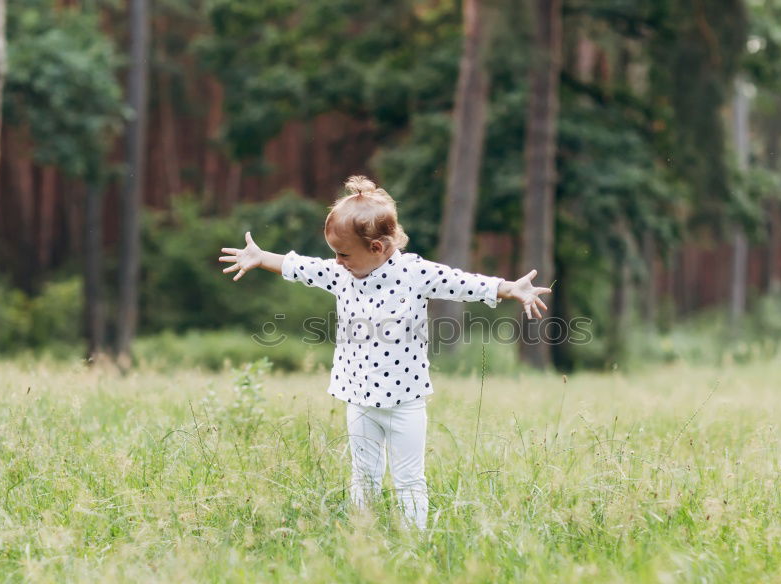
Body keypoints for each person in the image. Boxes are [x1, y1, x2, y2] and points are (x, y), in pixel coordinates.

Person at [219, 176, 551, 529]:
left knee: (409, 480)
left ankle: (414, 545)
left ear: (377, 247)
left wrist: (509, 288)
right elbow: (301, 267)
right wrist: (261, 257)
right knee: (363, 477)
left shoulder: (414, 273)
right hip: (358, 398)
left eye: (343, 253)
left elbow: (461, 282)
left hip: (405, 402)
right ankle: (364, 536)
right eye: (334, 252)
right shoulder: (341, 274)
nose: (337, 260)